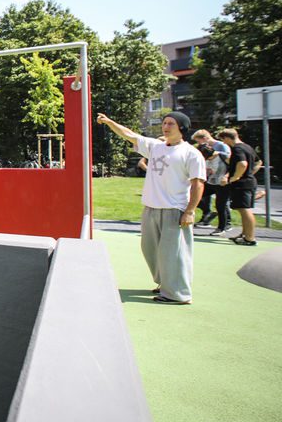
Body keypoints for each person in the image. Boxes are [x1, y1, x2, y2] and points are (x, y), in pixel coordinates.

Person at [97, 111, 205, 305]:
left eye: (171, 123)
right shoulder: (156, 147)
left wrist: (190, 211)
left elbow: (198, 184)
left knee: (173, 253)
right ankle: (165, 283)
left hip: (174, 209)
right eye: (165, 123)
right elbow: (130, 135)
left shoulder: (191, 153)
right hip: (151, 208)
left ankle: (178, 294)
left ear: (182, 127)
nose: (166, 126)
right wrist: (109, 122)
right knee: (150, 250)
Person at [216, 128, 260, 246]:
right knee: (243, 209)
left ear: (227, 138)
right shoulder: (247, 147)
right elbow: (258, 162)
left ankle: (250, 238)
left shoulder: (237, 148)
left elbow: (242, 164)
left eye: (223, 140)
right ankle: (244, 234)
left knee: (245, 210)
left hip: (242, 184)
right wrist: (249, 174)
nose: (224, 143)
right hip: (249, 182)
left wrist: (235, 177)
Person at [191, 129, 232, 234]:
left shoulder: (222, 153)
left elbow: (233, 165)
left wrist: (227, 176)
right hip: (211, 181)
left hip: (222, 183)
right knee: (194, 195)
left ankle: (222, 227)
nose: (208, 160)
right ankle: (206, 213)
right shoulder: (206, 155)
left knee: (220, 205)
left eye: (209, 158)